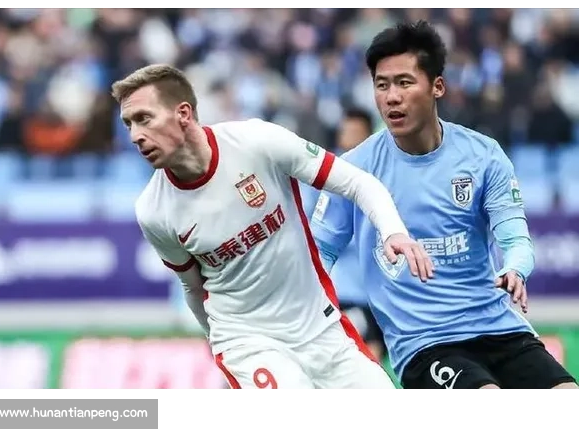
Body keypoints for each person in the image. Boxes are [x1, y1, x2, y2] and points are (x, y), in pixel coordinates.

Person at [110, 64, 433, 391]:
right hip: (248, 341)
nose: (135, 135)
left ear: (182, 113)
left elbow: (358, 183)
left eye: (144, 118)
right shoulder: (153, 210)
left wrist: (393, 231)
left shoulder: (256, 141)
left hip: (319, 326)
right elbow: (193, 288)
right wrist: (223, 344)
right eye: (128, 123)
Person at [310, 20, 578, 391]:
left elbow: (516, 240)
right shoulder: (353, 169)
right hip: (424, 343)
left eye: (404, 82)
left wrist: (515, 269)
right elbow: (319, 251)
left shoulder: (483, 156)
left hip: (499, 327)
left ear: (438, 86)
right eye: (382, 85)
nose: (391, 97)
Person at [301, 107, 387, 362]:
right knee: (361, 351)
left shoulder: (381, 174)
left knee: (373, 352)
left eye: (355, 132)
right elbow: (312, 226)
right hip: (345, 289)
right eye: (345, 131)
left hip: (379, 289)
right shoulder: (325, 177)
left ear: (368, 135)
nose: (348, 137)